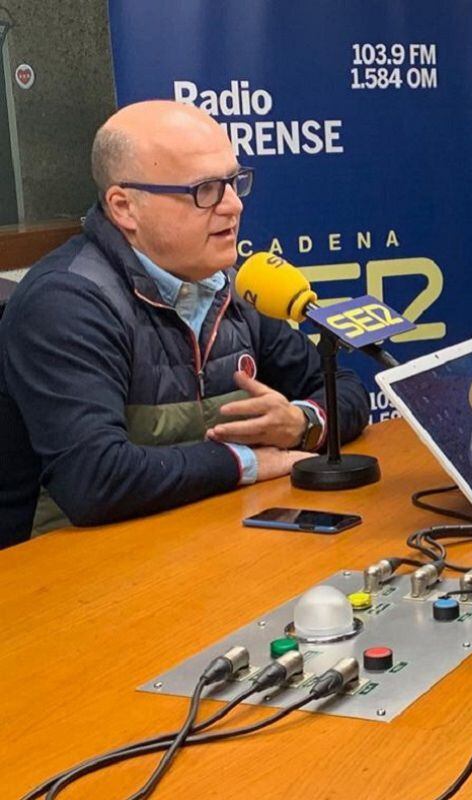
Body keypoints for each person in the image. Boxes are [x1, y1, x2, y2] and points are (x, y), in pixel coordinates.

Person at [0, 100, 370, 545]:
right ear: (124, 207)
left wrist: (302, 424)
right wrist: (245, 461)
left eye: (234, 183)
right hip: (69, 571)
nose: (233, 206)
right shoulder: (66, 303)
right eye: (205, 190)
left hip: (200, 540)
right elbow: (94, 480)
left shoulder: (230, 287)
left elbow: (346, 389)